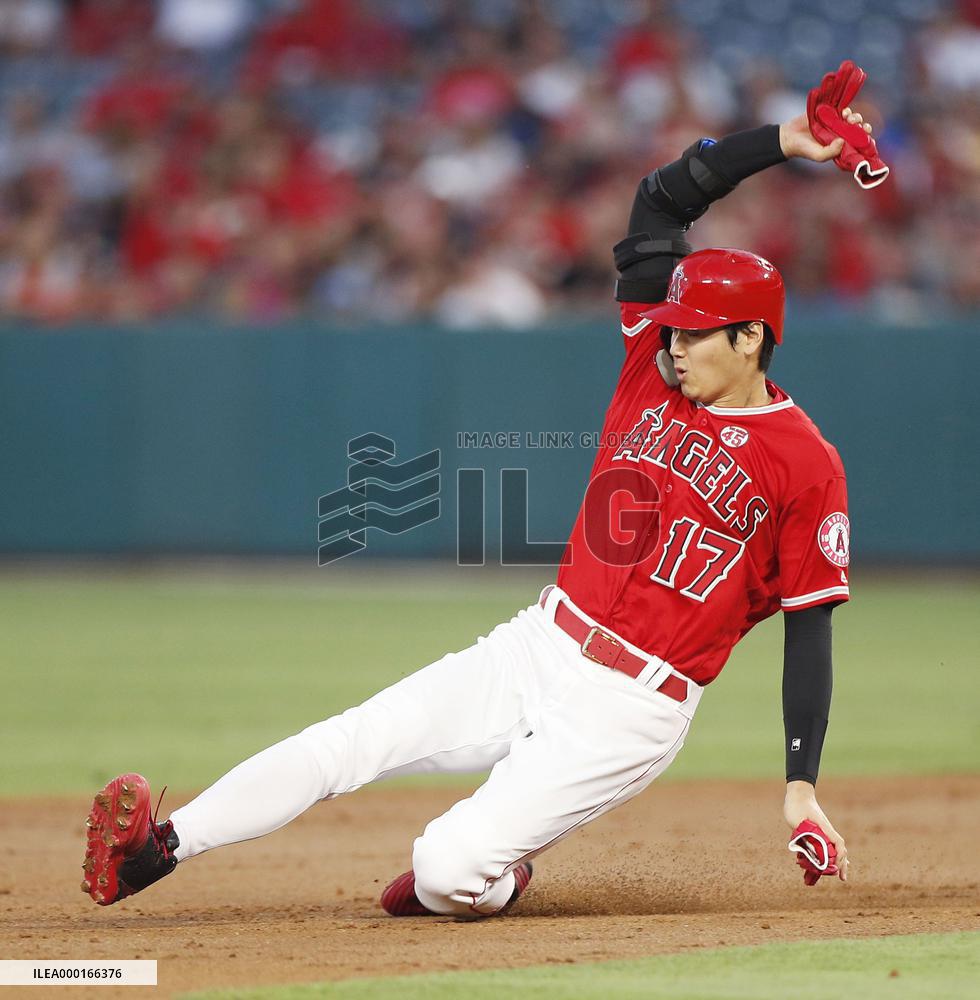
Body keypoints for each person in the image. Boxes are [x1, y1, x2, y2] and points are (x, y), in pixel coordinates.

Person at [81, 94, 874, 916]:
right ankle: (156, 851)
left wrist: (800, 788)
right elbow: (660, 203)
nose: (672, 342)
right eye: (669, 328)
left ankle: (491, 870)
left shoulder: (805, 462)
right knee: (355, 737)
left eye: (694, 333)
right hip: (543, 639)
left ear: (751, 338)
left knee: (443, 870)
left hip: (633, 706)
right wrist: (783, 141)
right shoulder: (654, 371)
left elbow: (809, 624)